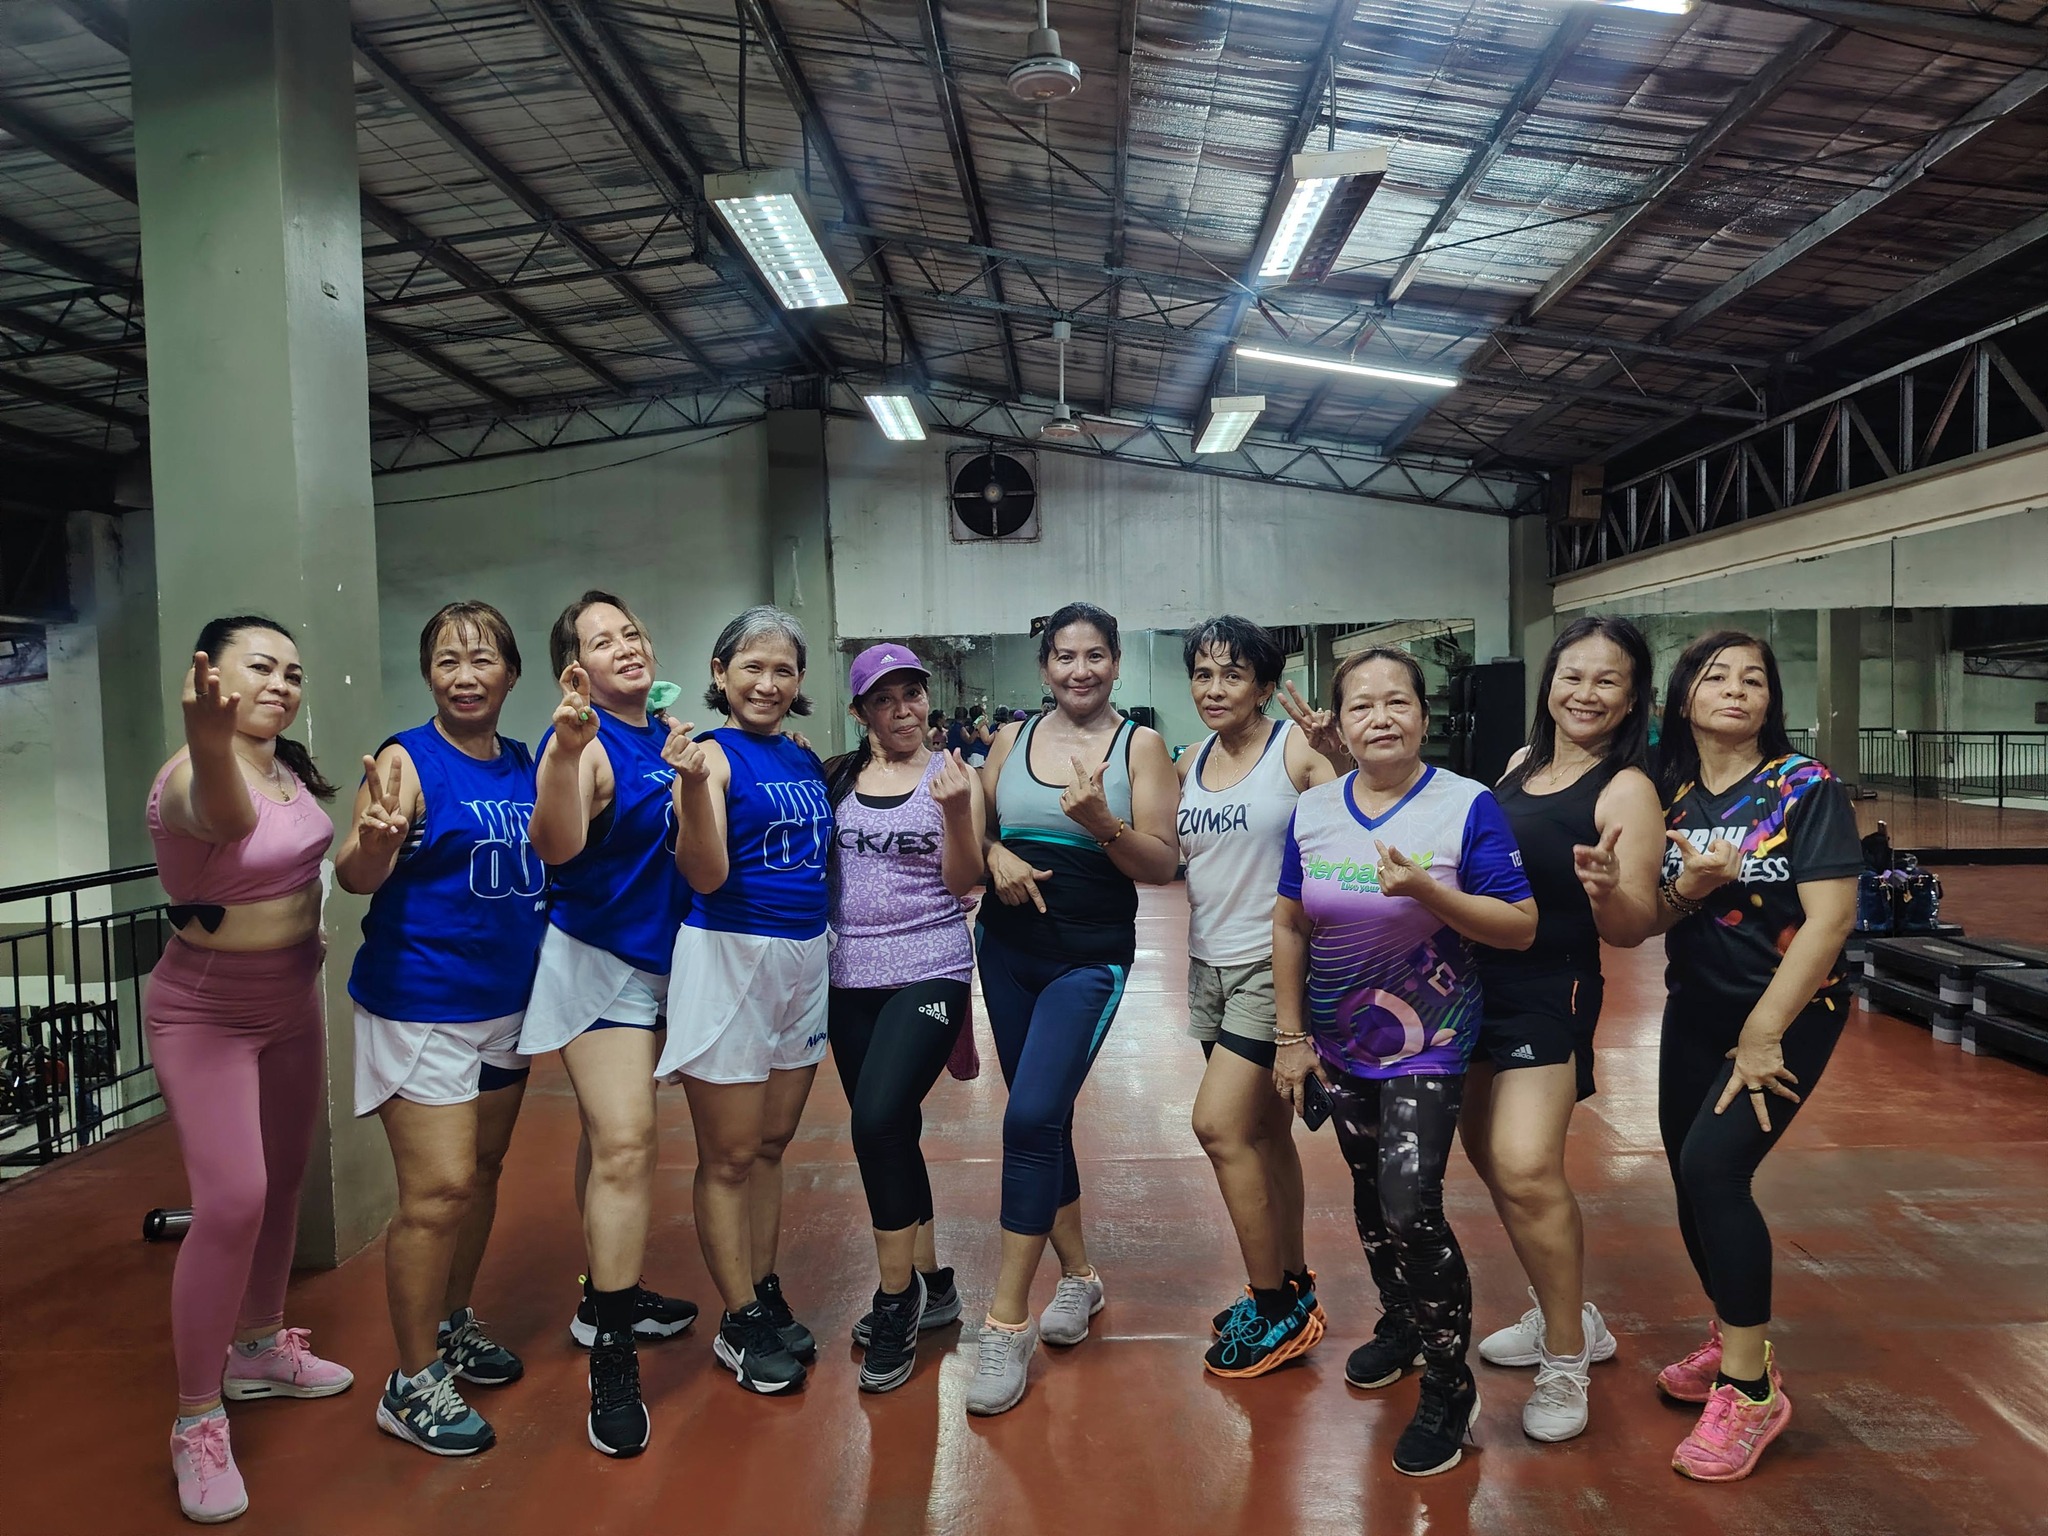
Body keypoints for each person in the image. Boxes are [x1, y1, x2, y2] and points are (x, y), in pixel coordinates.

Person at [1272, 647, 1536, 1478]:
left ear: (1425, 715)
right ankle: (1404, 1323)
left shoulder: (1466, 804)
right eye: (1362, 705)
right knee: (1367, 1193)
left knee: (1409, 1203)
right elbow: (1290, 922)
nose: (1380, 717)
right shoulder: (1314, 809)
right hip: (1339, 1039)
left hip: (1432, 1038)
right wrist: (1290, 1036)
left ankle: (1450, 1384)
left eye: (1398, 701)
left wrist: (1428, 892)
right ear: (1341, 723)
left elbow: (1518, 924)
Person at [1633, 631, 1860, 1481]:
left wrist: (1765, 1031)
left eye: (1753, 679)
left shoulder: (1804, 787)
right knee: (1686, 1175)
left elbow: (1830, 920)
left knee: (1715, 1170)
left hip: (1791, 1013)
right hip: (1696, 1009)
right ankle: (1735, 1334)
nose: (1736, 689)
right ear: (1684, 697)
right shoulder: (1669, 791)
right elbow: (1656, 911)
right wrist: (1683, 888)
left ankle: (1750, 1391)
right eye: (1716, 676)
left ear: (1771, 700)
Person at [145, 615, 353, 1524]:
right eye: (261, 667)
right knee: (233, 1199)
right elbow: (224, 817)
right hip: (206, 1012)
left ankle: (260, 1347)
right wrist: (204, 734)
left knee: (285, 1180)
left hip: (290, 1000)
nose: (281, 683)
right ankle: (197, 1418)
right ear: (214, 680)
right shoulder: (194, 777)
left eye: (292, 672)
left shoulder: (285, 768)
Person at [335, 601, 546, 1457]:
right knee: (439, 1191)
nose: (464, 675)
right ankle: (412, 1380)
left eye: (482, 658)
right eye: (447, 660)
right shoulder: (405, 759)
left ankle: (453, 1325)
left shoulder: (526, 762)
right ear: (428, 674)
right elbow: (355, 875)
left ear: (511, 674)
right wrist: (374, 844)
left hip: (507, 1006)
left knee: (483, 1171)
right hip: (421, 1003)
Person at [967, 601, 1180, 1415]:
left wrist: (1102, 824)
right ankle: (1081, 1277)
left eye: (1095, 656)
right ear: (1045, 666)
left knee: (1028, 1119)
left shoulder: (1140, 746)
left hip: (1088, 959)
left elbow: (1160, 865)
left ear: (1116, 663)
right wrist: (994, 854)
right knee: (1042, 1118)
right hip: (1006, 952)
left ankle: (1006, 1321)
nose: (1079, 670)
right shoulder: (1011, 741)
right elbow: (976, 833)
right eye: (1064, 656)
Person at [1460, 616, 1664, 1443]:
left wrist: (1609, 888)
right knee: (1492, 1159)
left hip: (1552, 987)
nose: (1585, 693)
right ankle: (1562, 1312)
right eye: (1572, 675)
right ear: (1550, 682)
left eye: (1607, 680)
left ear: (1632, 699)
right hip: (1476, 981)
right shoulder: (1521, 763)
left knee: (1525, 1163)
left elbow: (1633, 927)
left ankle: (1568, 1358)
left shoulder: (1627, 790)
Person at [522, 591, 697, 1458]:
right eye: (601, 641)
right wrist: (563, 749)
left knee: (605, 1139)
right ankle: (614, 1357)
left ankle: (604, 1297)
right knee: (628, 1143)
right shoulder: (585, 744)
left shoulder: (665, 737)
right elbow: (554, 843)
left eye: (631, 632)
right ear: (576, 670)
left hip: (672, 963)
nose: (625, 646)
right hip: (602, 965)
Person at [658, 607, 834, 1396]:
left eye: (783, 670)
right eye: (751, 667)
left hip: (803, 957)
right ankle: (737, 1319)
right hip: (730, 957)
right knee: (728, 1156)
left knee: (770, 1143)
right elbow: (704, 873)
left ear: (799, 682)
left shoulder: (799, 756)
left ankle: (762, 1289)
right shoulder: (710, 758)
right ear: (720, 673)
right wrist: (695, 788)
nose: (767, 683)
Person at [1175, 617, 1341, 1378]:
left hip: (1270, 967)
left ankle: (1270, 1306)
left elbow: (1356, 822)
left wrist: (1340, 756)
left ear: (1265, 687)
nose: (1215, 689)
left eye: (1233, 675)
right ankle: (1295, 1284)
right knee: (1268, 1135)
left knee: (1218, 1126)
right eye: (1203, 674)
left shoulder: (1296, 750)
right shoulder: (1192, 759)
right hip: (1208, 964)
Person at [822, 643, 986, 1393]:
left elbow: (964, 880)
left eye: (912, 695)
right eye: (884, 700)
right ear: (861, 712)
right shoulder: (838, 778)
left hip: (930, 965)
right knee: (893, 1132)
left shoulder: (954, 778)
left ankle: (897, 1300)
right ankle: (934, 1281)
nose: (903, 710)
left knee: (878, 1121)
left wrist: (955, 813)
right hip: (849, 972)